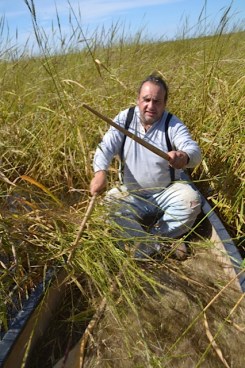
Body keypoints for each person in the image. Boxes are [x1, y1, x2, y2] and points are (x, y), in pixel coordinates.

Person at [90, 73, 202, 259]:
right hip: (132, 194)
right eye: (146, 100)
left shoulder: (172, 124)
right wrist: (100, 173)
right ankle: (161, 245)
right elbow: (105, 147)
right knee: (108, 207)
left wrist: (183, 156)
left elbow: (194, 151)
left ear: (164, 104)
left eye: (157, 101)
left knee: (191, 202)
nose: (151, 106)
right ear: (138, 100)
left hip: (166, 191)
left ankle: (149, 240)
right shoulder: (124, 119)